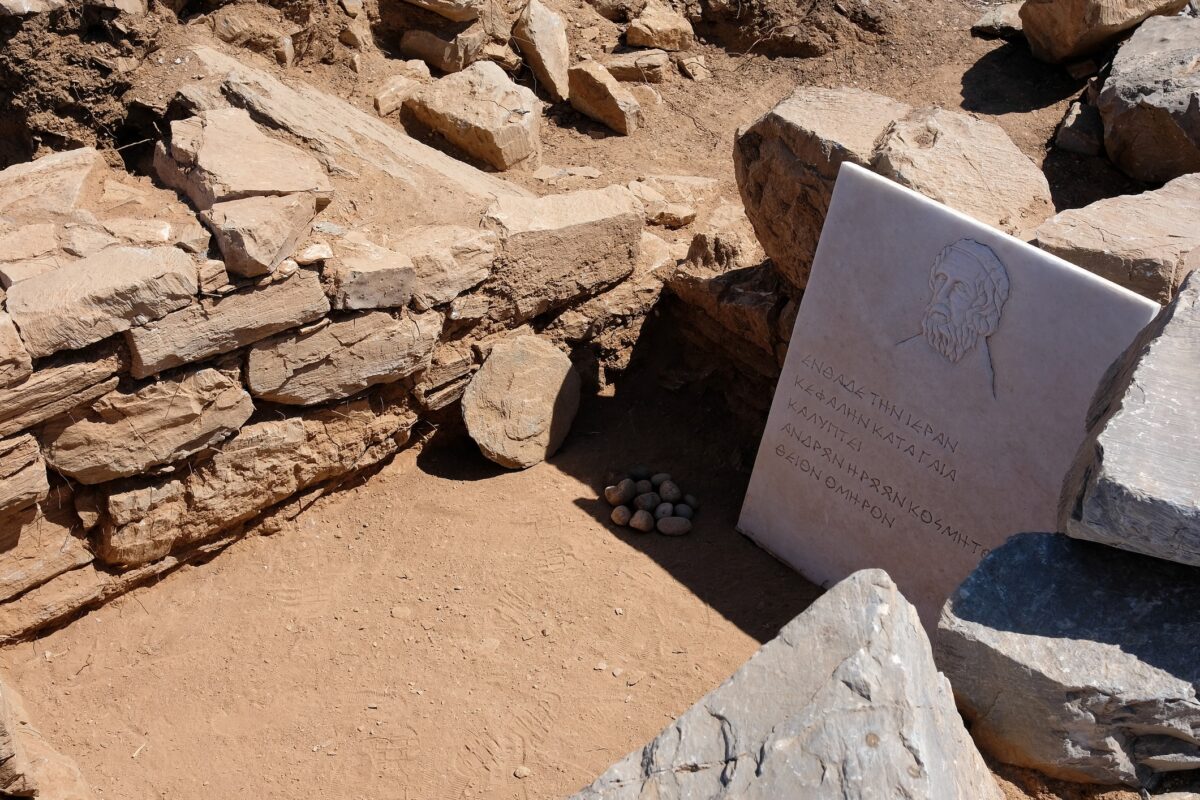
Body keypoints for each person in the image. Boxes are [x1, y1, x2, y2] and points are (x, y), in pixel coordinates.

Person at [898, 239, 1010, 399]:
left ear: (984, 307)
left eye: (960, 287)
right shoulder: (902, 353)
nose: (941, 295)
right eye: (941, 278)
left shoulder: (983, 389)